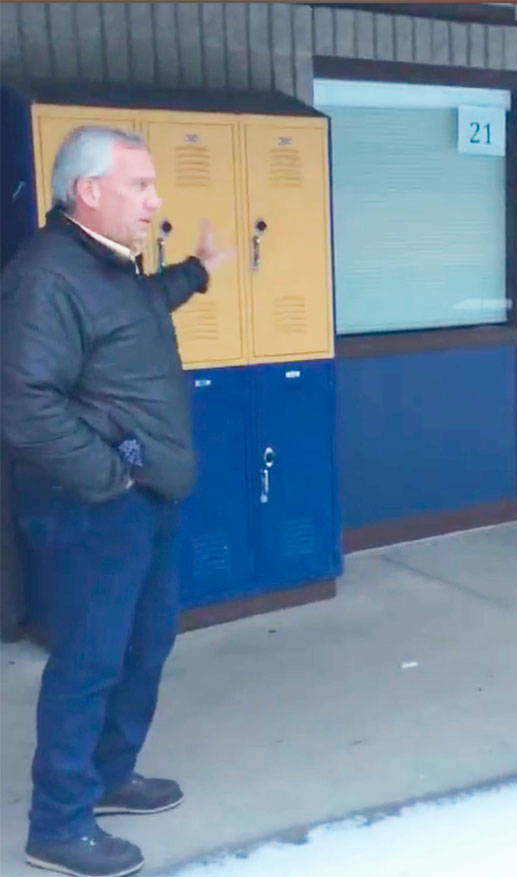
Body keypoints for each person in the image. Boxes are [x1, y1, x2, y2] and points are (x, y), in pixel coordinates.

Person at [2, 126, 231, 877]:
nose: (155, 201)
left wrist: (197, 271)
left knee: (144, 643)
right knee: (90, 659)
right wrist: (108, 477)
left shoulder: (109, 267)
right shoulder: (46, 275)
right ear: (88, 191)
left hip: (145, 497)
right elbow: (24, 403)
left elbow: (138, 309)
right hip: (93, 506)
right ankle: (58, 822)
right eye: (141, 186)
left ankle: (108, 774)